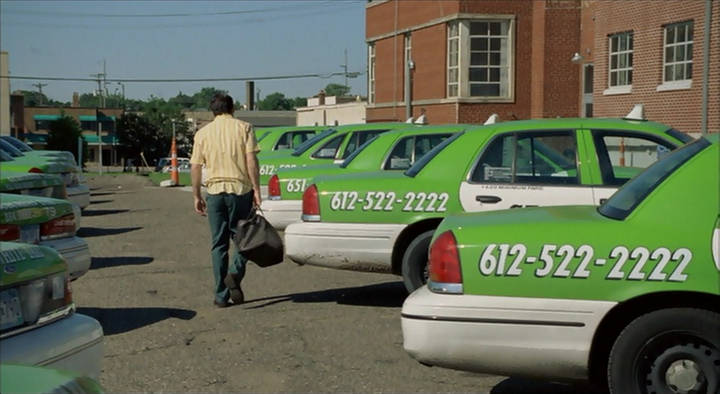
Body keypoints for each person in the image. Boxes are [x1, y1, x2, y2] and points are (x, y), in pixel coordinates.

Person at [190, 93, 261, 308]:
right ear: (232, 109)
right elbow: (251, 160)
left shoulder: (202, 134)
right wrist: (257, 189)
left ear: (213, 111)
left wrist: (196, 195)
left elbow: (195, 166)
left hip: (215, 193)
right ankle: (234, 274)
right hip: (240, 190)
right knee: (244, 239)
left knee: (218, 244)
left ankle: (221, 295)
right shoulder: (245, 128)